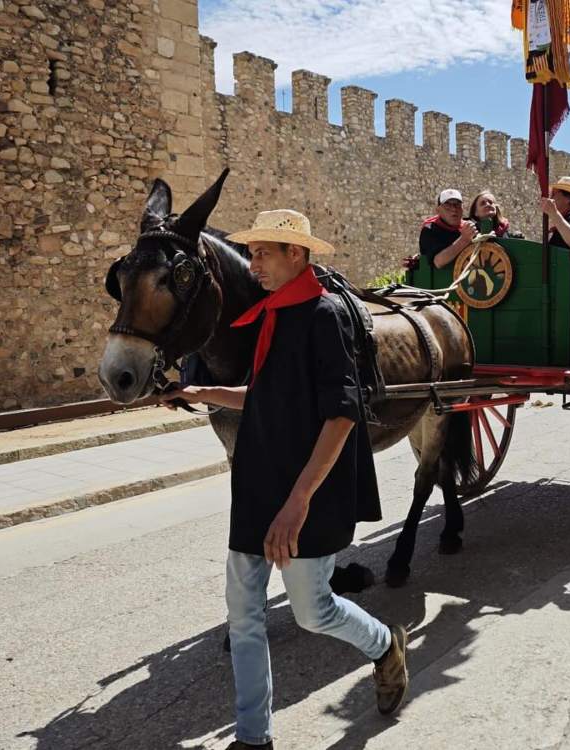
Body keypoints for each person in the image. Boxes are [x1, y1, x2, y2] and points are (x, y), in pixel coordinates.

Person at [161, 209, 410, 750]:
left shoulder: (323, 316)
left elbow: (342, 413)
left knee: (312, 610)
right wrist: (204, 394)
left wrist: (298, 502)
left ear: (295, 254)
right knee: (244, 615)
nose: (253, 265)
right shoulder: (271, 315)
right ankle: (254, 738)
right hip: (257, 481)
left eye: (262, 253)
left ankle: (385, 644)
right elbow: (265, 398)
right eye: (250, 254)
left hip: (304, 489)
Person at [419, 189, 476, 269]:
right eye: (447, 205)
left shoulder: (470, 226)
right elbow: (438, 262)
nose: (454, 209)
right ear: (438, 210)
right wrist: (464, 240)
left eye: (457, 204)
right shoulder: (430, 229)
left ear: (463, 208)